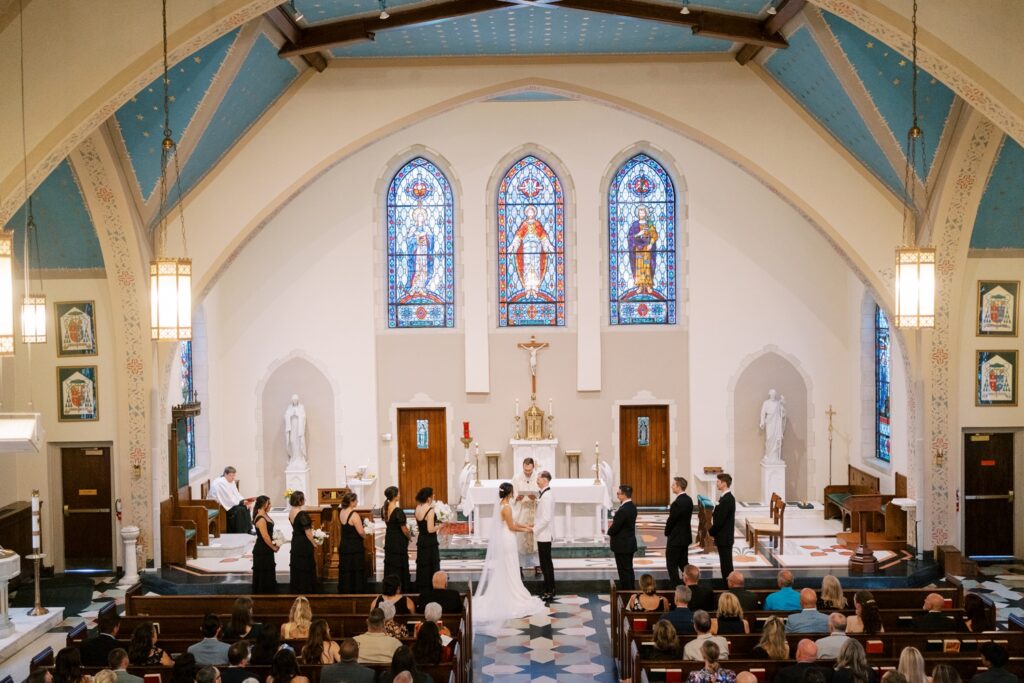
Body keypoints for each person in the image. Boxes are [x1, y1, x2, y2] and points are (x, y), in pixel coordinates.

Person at [472, 482, 548, 634]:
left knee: (510, 566)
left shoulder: (504, 504)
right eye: (512, 491)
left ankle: (508, 589)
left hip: (508, 536)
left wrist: (527, 526)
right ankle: (510, 593)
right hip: (508, 538)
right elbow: (512, 527)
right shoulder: (506, 507)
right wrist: (525, 529)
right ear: (508, 492)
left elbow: (513, 522)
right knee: (510, 565)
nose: (514, 492)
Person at [512, 457, 541, 572]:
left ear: (533, 467)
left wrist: (536, 497)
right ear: (523, 467)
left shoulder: (539, 477)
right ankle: (519, 566)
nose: (527, 472)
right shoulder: (517, 478)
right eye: (525, 470)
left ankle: (537, 565)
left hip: (535, 510)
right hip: (522, 510)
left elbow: (542, 493)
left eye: (529, 470)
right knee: (521, 539)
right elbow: (512, 494)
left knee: (535, 538)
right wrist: (516, 497)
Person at [607, 484, 638, 589]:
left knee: (623, 571)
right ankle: (631, 591)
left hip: (622, 546)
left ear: (624, 495)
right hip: (629, 543)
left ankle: (627, 593)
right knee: (628, 569)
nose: (617, 495)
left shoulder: (623, 510)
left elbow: (615, 527)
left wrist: (609, 531)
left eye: (618, 493)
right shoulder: (632, 506)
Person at [382, 486, 412, 592]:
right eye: (398, 494)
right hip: (398, 542)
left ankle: (390, 587)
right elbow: (404, 529)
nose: (400, 495)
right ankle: (401, 588)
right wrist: (410, 537)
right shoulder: (398, 511)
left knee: (391, 563)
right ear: (395, 496)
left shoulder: (384, 508)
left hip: (389, 539)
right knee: (399, 564)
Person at [665, 476, 694, 585]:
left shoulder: (677, 503)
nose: (672, 487)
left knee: (671, 564)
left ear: (678, 487)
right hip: (685, 537)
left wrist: (667, 532)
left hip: (676, 538)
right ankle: (691, 583)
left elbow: (671, 520)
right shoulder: (689, 500)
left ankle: (676, 587)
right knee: (683, 563)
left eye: (673, 485)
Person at [208, 466, 254, 533]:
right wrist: (241, 502)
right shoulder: (221, 483)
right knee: (240, 510)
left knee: (245, 507)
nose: (233, 478)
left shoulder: (230, 481)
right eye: (231, 475)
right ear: (225, 474)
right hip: (218, 505)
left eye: (234, 475)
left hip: (228, 503)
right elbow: (227, 498)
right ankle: (241, 531)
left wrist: (244, 501)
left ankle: (248, 530)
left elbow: (236, 494)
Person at [288, 490, 317, 593]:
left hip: (296, 541)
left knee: (297, 566)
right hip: (303, 543)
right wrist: (314, 543)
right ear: (300, 500)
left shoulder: (291, 511)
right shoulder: (302, 514)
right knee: (305, 565)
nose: (304, 500)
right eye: (303, 498)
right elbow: (308, 532)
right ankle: (306, 589)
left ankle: (297, 588)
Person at [338, 492, 367, 594]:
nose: (357, 502)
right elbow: (360, 532)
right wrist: (365, 535)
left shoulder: (341, 511)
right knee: (356, 569)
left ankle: (345, 590)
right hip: (354, 547)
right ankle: (357, 591)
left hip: (344, 544)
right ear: (351, 502)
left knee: (346, 569)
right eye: (356, 500)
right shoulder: (354, 515)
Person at [534, 470, 556, 601]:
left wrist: (534, 529)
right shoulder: (544, 494)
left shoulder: (547, 496)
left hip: (544, 534)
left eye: (538, 478)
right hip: (543, 533)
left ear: (545, 480)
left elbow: (546, 518)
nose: (537, 480)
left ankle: (550, 590)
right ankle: (548, 588)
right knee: (544, 563)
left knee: (546, 564)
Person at [709, 473, 736, 579]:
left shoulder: (727, 499)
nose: (717, 483)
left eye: (718, 482)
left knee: (727, 565)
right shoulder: (724, 497)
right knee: (724, 564)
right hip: (723, 537)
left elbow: (720, 520)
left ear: (724, 483)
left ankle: (729, 585)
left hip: (725, 537)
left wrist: (710, 532)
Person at [251, 494, 279, 594]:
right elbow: (265, 536)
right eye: (269, 503)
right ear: (264, 504)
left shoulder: (264, 514)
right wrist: (273, 547)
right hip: (262, 549)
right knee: (263, 574)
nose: (271, 505)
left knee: (269, 572)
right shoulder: (261, 518)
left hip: (266, 549)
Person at [414, 487, 440, 590]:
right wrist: (440, 526)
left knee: (423, 563)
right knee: (431, 563)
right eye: (433, 495)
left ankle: (422, 585)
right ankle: (432, 586)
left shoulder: (417, 507)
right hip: (430, 540)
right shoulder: (430, 510)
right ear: (429, 498)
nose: (434, 497)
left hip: (421, 539)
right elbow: (430, 529)